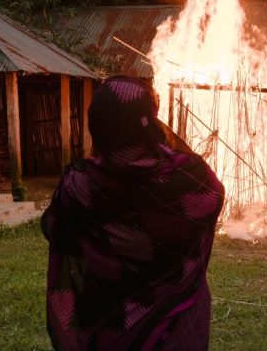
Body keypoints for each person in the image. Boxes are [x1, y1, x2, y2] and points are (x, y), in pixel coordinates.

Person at [41, 76, 225, 350]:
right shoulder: (194, 179)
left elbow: (53, 227)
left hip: (108, 332)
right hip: (176, 334)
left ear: (98, 125)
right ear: (150, 123)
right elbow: (212, 201)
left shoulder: (79, 184)